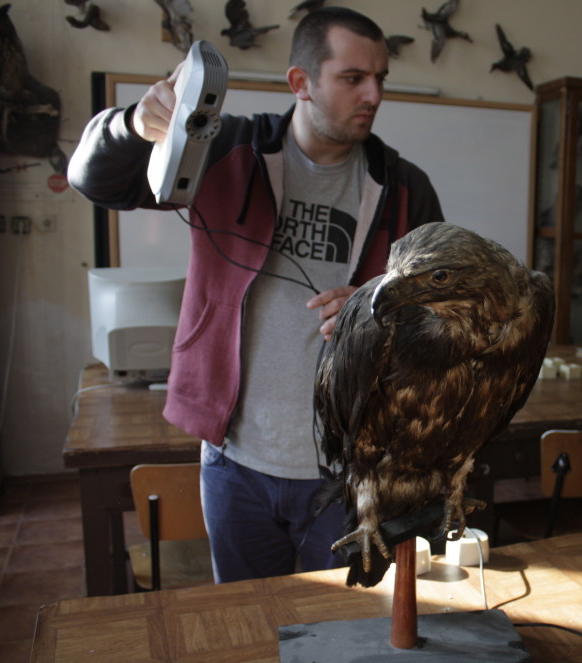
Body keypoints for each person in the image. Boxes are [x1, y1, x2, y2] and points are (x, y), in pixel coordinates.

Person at [67, 7, 444, 582]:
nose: (373, 94)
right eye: (352, 78)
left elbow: (444, 310)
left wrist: (380, 308)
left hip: (348, 469)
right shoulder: (224, 151)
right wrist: (131, 127)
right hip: (235, 462)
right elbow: (96, 180)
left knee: (345, 625)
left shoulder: (405, 186)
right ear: (301, 83)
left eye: (381, 78)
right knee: (245, 621)